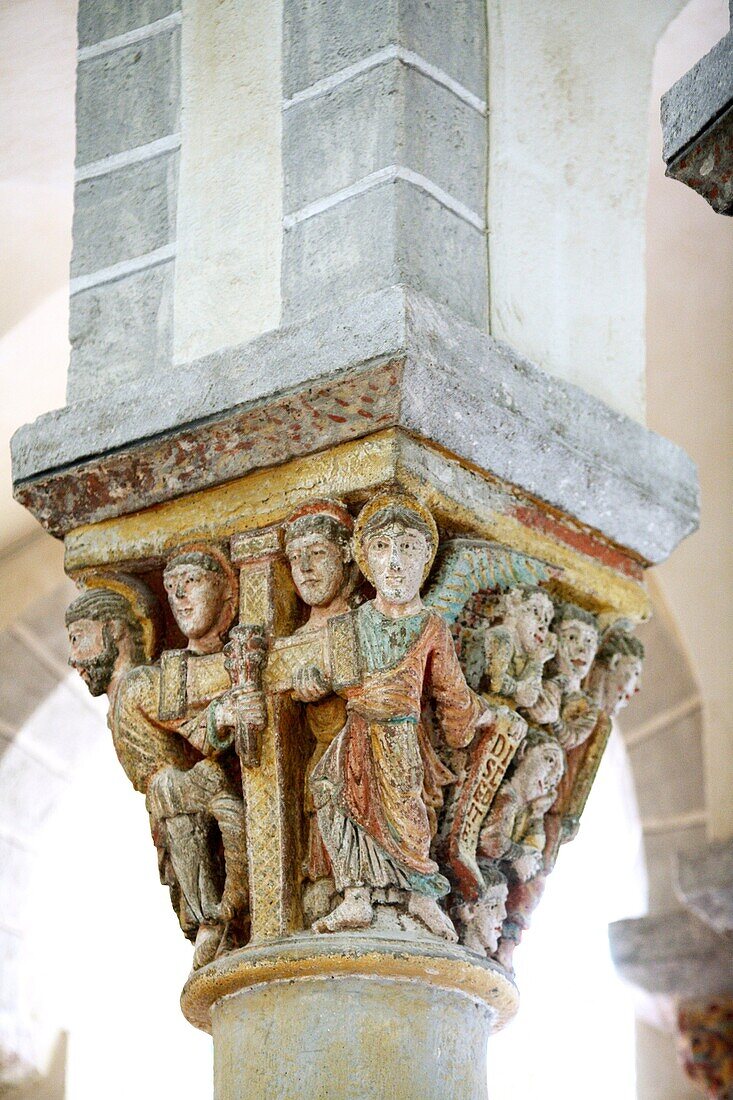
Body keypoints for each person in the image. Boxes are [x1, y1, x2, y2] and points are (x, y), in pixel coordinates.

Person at [303, 490, 496, 941]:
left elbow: (450, 689)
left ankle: (423, 898)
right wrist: (313, 681)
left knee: (408, 813)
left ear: (426, 559)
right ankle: (354, 895)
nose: (395, 562)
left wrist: (473, 717)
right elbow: (335, 678)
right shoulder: (348, 624)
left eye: (407, 549)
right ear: (365, 559)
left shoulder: (431, 626)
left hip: (401, 736)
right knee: (333, 793)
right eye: (383, 548)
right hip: (357, 730)